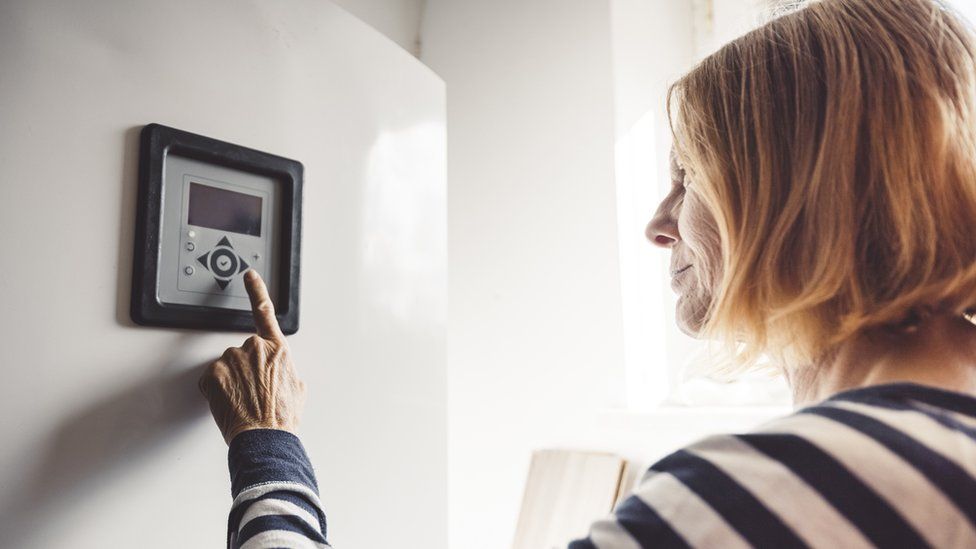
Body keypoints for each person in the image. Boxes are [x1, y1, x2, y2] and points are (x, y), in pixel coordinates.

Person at [199, 0, 976, 547]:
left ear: (801, 190)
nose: (658, 222)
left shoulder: (782, 488)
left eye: (690, 176)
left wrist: (269, 444)